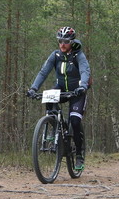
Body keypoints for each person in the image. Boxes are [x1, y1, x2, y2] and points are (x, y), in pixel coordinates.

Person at [27, 27, 91, 171]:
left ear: (72, 42)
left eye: (66, 42)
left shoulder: (78, 55)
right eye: (60, 41)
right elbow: (43, 72)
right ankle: (54, 126)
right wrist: (33, 88)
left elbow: (85, 71)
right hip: (61, 88)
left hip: (77, 92)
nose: (62, 44)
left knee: (75, 121)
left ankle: (79, 155)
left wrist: (83, 86)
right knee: (48, 97)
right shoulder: (55, 55)